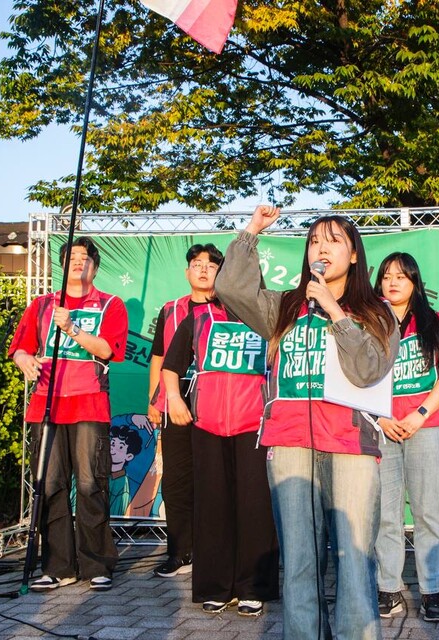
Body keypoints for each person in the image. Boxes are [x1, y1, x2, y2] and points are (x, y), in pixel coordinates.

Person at [216, 206, 399, 640]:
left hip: (351, 443)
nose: (322, 247)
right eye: (315, 241)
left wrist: (336, 312)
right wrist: (252, 232)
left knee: (354, 557)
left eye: (334, 240)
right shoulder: (285, 307)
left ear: (354, 255)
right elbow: (230, 287)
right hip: (290, 440)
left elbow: (368, 371)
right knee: (299, 557)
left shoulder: (377, 312)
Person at [161, 244, 279, 616]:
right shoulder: (197, 319)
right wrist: (176, 401)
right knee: (212, 506)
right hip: (208, 425)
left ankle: (252, 587)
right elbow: (170, 366)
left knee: (254, 508)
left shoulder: (269, 320)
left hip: (255, 427)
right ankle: (215, 586)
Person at [9, 237, 128, 592]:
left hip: (89, 403)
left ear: (96, 265)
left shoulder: (109, 304)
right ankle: (59, 566)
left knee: (91, 484)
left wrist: (73, 328)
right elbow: (19, 348)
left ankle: (96, 564)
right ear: (62, 265)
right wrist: (24, 361)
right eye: (72, 257)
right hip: (46, 404)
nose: (79, 262)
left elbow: (107, 350)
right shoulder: (43, 304)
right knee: (48, 485)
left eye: (85, 257)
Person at [372, 253, 439, 623]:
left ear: (414, 282)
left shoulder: (437, 323)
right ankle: (388, 588)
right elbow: (355, 378)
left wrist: (420, 414)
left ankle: (430, 591)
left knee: (426, 513)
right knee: (386, 515)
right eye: (387, 276)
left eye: (401, 277)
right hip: (382, 428)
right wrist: (380, 417)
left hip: (425, 429)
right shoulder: (367, 324)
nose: (393, 282)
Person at [146, 244, 221, 578]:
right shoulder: (171, 309)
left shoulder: (231, 309)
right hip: (175, 399)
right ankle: (180, 552)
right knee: (175, 478)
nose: (203, 269)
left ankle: (212, 550)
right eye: (196, 264)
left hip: (218, 400)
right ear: (187, 272)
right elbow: (160, 357)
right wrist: (154, 400)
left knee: (213, 477)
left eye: (210, 265)